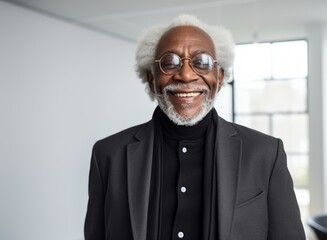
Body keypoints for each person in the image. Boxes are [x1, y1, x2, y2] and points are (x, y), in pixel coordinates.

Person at [84, 14, 306, 240]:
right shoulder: (108, 155)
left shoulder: (265, 154)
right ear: (152, 79)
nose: (186, 75)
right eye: (170, 62)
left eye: (202, 62)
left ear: (219, 78)